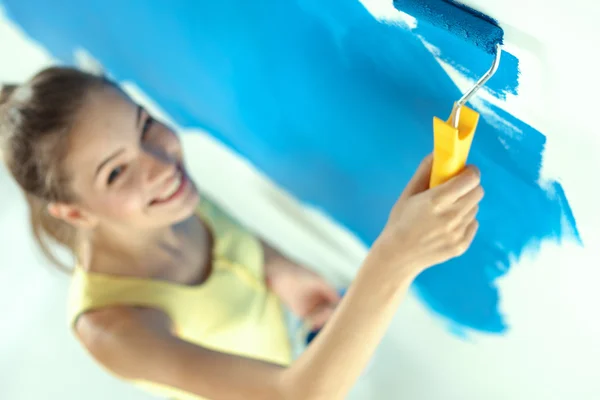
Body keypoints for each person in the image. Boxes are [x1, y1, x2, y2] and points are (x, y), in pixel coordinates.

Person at [0, 67, 483, 400]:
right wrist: (395, 257)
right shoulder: (111, 328)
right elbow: (296, 395)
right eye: (115, 172)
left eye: (144, 125)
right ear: (74, 213)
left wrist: (283, 274)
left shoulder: (167, 200)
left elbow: (234, 242)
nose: (162, 163)